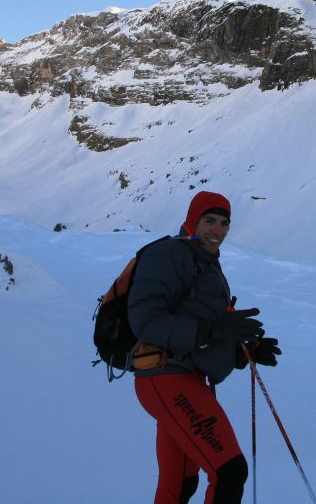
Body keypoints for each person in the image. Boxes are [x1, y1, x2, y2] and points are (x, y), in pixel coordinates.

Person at [128, 190, 281, 504]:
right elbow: (146, 321)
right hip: (165, 377)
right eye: (209, 220)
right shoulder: (169, 254)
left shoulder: (206, 264)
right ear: (191, 221)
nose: (218, 231)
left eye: (224, 223)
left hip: (185, 377)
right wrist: (212, 329)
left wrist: (243, 352)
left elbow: (199, 331)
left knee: (180, 483)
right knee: (229, 471)